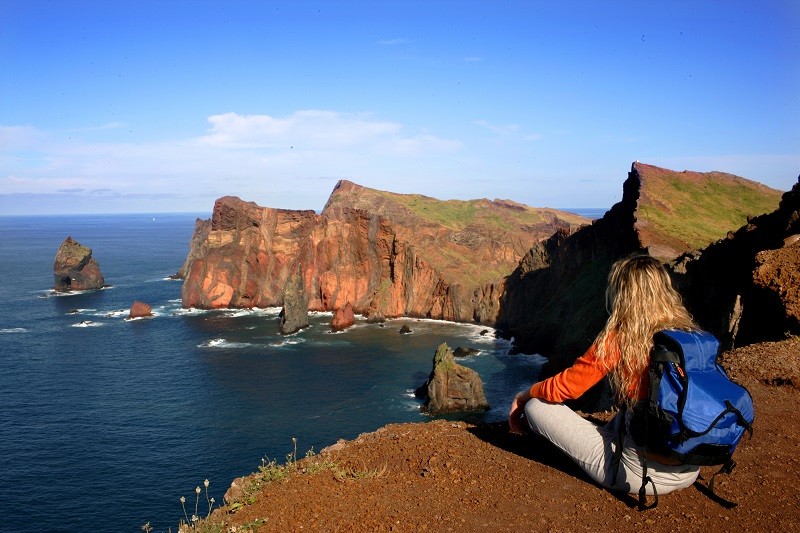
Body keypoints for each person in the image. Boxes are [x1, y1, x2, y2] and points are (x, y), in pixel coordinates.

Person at [508, 254, 701, 497]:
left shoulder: (622, 337)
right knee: (640, 408)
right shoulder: (689, 336)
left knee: (536, 406)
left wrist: (523, 396)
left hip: (635, 476)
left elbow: (569, 386)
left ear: (622, 294)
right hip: (690, 467)